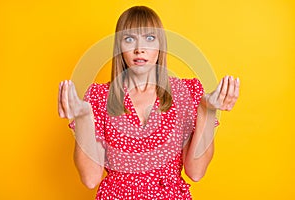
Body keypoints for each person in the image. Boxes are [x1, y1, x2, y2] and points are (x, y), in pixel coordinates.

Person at [58, 6, 239, 199]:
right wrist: (84, 117)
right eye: (129, 39)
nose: (139, 49)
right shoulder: (99, 96)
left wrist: (207, 111)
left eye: (150, 38)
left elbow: (196, 172)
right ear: (119, 47)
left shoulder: (185, 94)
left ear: (161, 46)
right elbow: (90, 178)